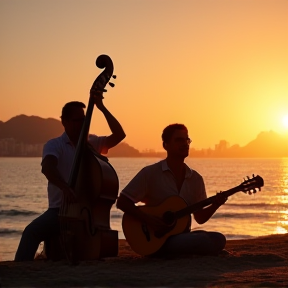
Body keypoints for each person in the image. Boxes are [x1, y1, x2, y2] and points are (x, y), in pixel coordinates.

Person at [14, 90, 126, 261]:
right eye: (77, 121)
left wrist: (101, 107)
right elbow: (48, 167)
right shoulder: (54, 145)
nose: (82, 124)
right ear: (64, 122)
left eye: (84, 120)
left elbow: (119, 135)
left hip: (89, 213)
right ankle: (20, 269)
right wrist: (65, 188)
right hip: (60, 211)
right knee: (31, 232)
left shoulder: (93, 142)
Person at [116, 123, 226, 257]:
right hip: (156, 238)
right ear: (165, 145)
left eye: (187, 140)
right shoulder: (150, 173)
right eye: (179, 140)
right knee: (204, 240)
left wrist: (216, 204)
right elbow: (122, 202)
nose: (185, 143)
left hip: (181, 237)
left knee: (218, 238)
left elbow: (200, 218)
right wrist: (150, 220)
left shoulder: (196, 179)